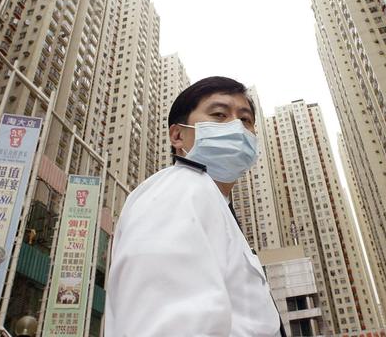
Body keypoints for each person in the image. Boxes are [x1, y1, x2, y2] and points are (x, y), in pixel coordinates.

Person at [105, 76, 284, 337]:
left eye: (245, 120)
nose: (236, 126)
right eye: (220, 115)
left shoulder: (210, 199)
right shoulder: (178, 191)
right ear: (178, 135)